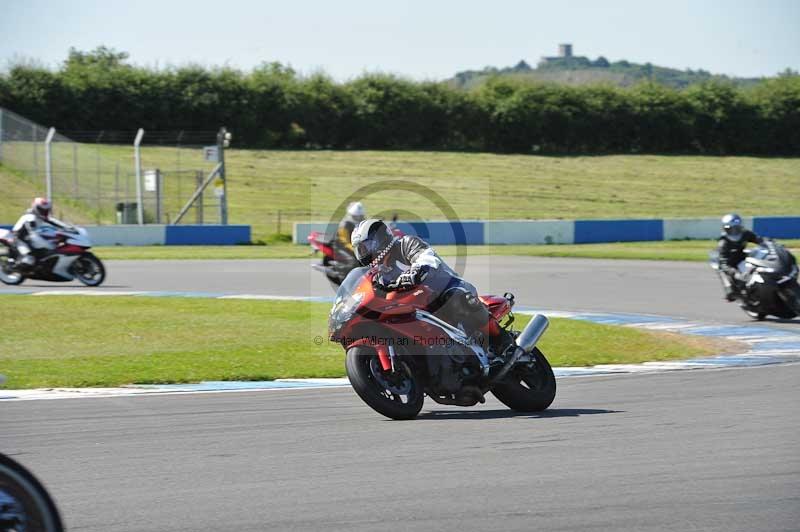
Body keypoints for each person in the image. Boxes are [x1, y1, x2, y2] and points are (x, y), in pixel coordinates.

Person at [351, 218, 517, 357]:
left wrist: (416, 271)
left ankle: (503, 342)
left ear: (381, 238)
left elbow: (427, 258)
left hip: (444, 291)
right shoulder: (378, 274)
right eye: (360, 250)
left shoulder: (406, 244)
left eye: (366, 247)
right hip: (416, 307)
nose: (364, 253)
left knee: (457, 299)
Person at [716, 213, 763, 301]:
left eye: (736, 228)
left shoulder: (745, 234)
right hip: (730, 264)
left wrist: (769, 243)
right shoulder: (724, 243)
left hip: (742, 258)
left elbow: (759, 240)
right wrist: (732, 271)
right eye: (731, 229)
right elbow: (723, 262)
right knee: (731, 289)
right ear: (726, 229)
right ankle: (731, 291)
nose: (734, 231)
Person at [11, 198, 67, 271]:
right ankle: (14, 268)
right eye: (42, 209)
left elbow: (52, 221)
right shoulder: (30, 216)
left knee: (47, 248)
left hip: (30, 237)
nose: (44, 211)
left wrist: (66, 227)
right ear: (36, 207)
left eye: (46, 210)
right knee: (29, 259)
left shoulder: (39, 215)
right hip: (19, 238)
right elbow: (31, 227)